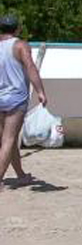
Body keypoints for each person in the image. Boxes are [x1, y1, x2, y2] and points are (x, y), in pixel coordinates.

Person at [0, 15, 48, 192]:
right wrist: (41, 92)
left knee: (7, 140)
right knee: (8, 140)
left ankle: (20, 175)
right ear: (17, 29)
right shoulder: (20, 45)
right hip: (15, 98)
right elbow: (31, 68)